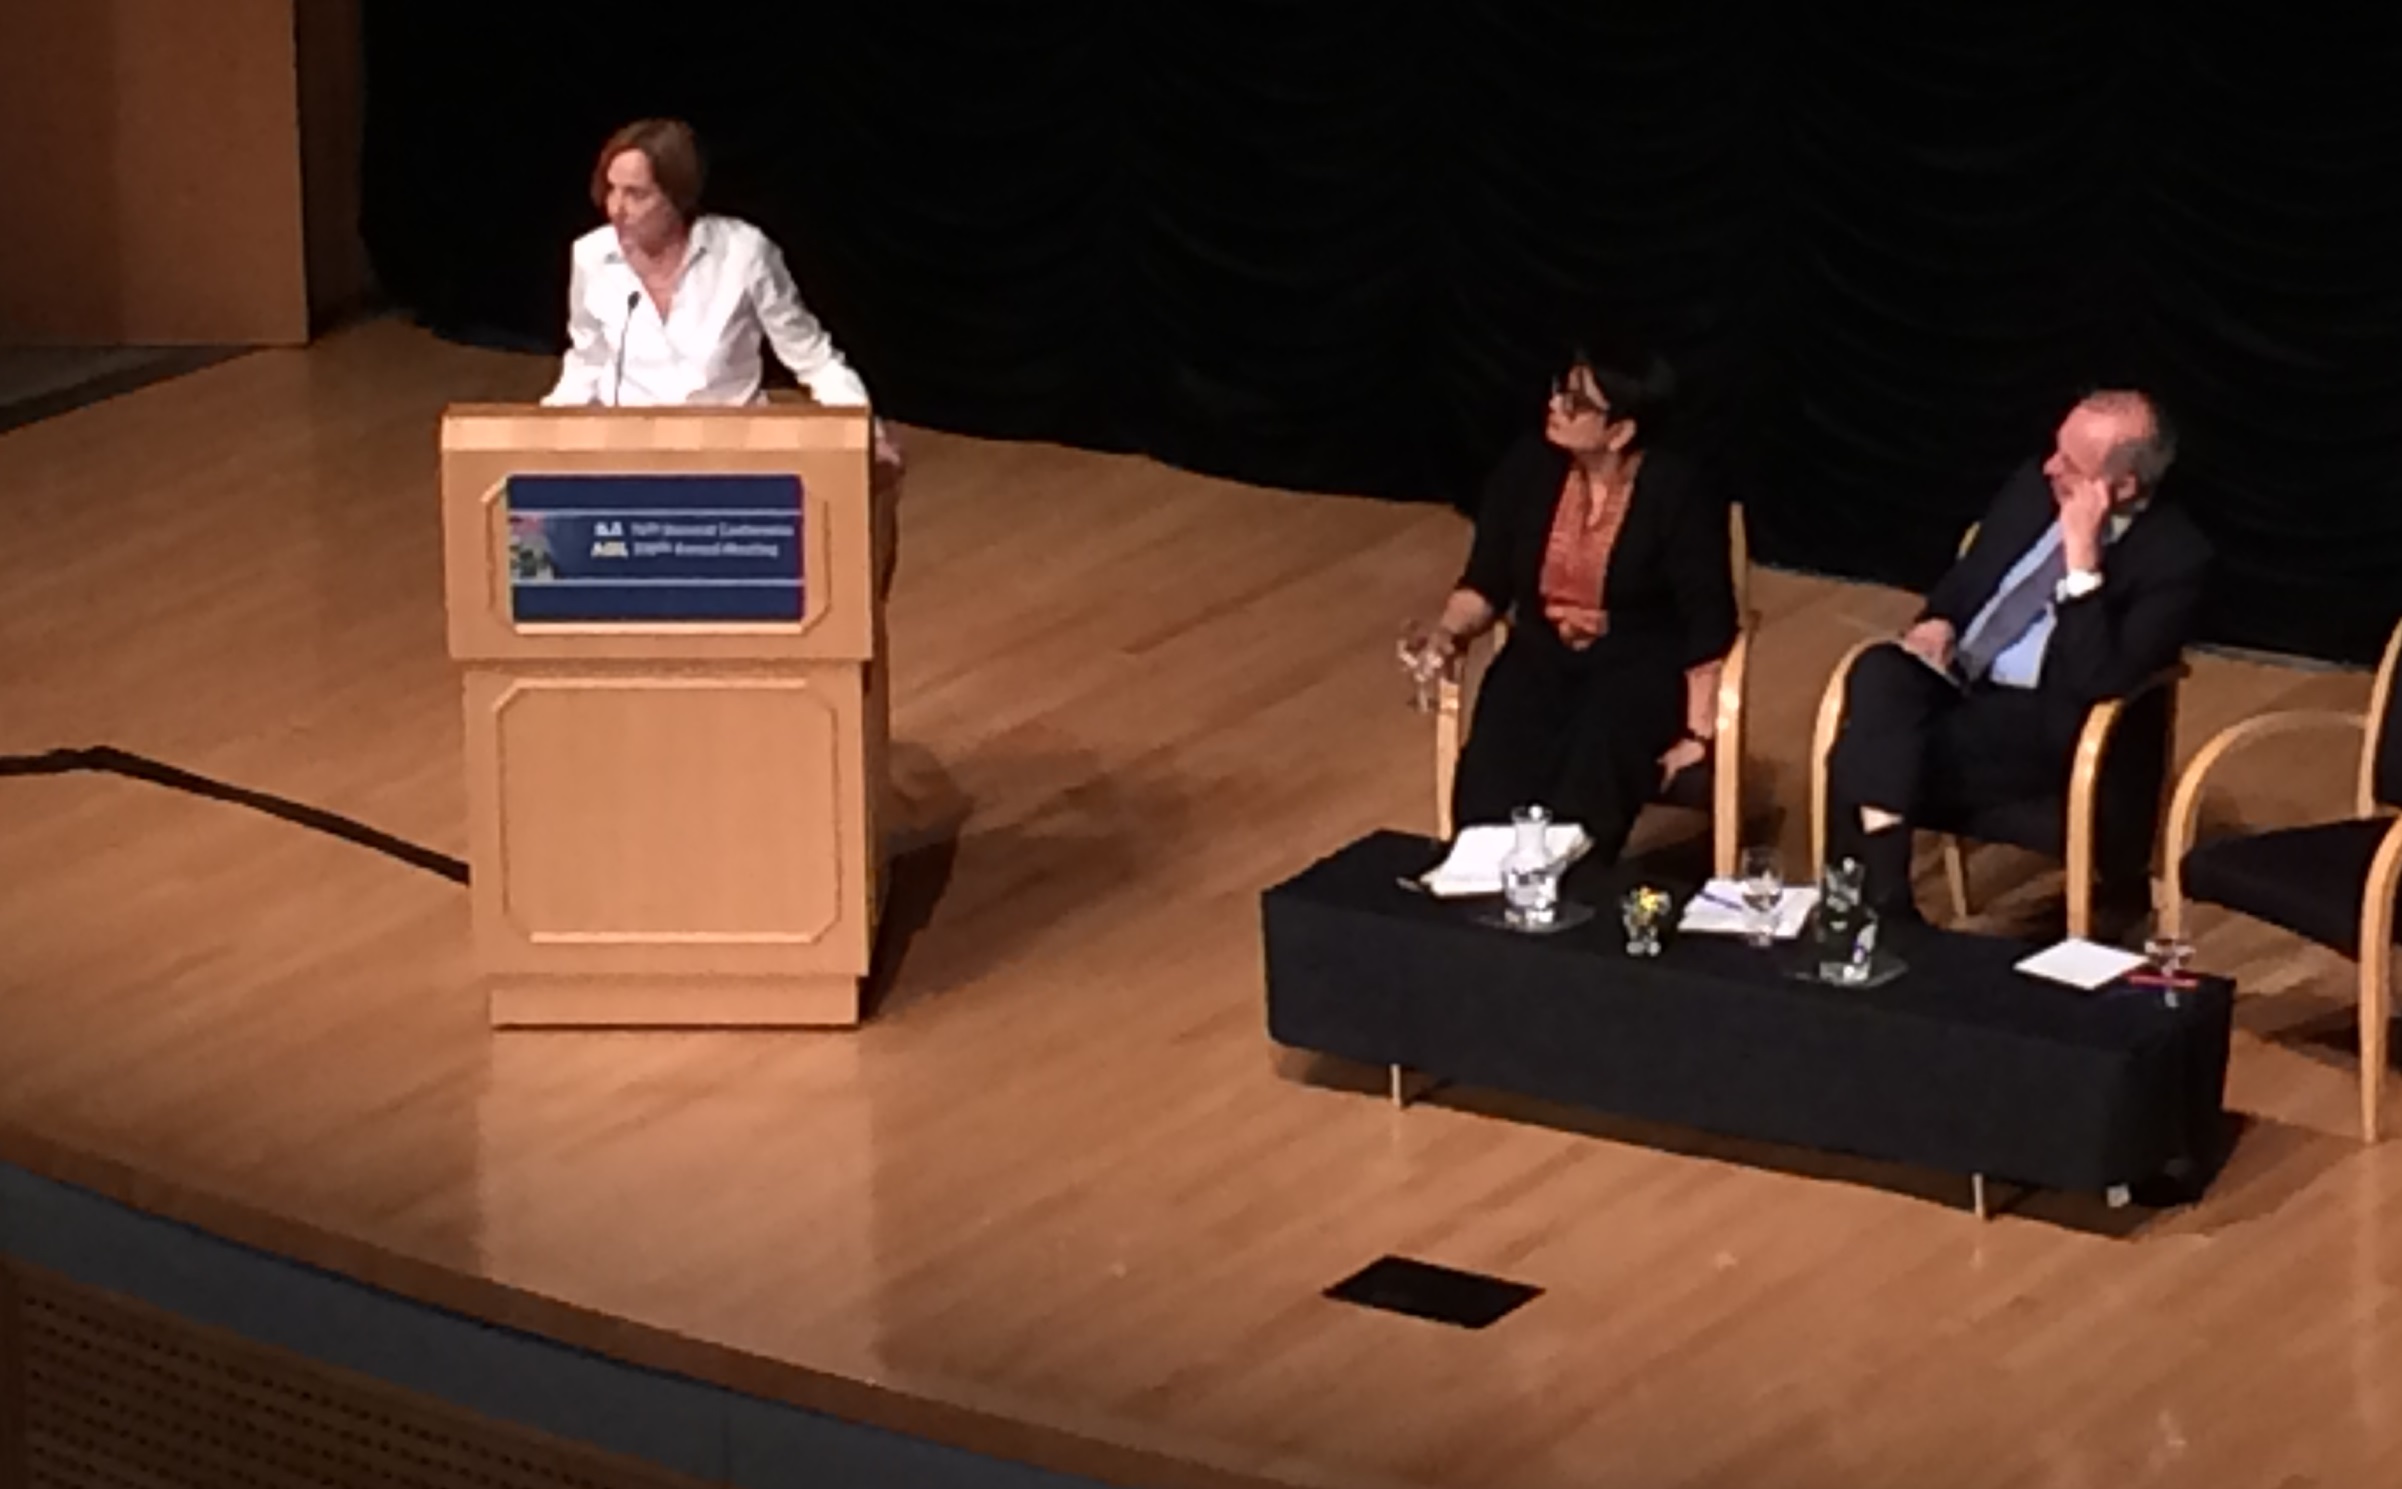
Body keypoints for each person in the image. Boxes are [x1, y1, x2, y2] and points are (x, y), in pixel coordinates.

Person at [1822, 389, 2211, 920]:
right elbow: (1972, 576)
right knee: (1877, 671)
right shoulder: (2034, 488)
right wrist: (1940, 620)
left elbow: (2096, 678)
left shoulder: (2175, 557)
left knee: (1864, 749)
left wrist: (2082, 567)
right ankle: (1883, 901)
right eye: (2055, 450)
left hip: (2047, 717)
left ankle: (1864, 907)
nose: (2051, 467)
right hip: (1959, 679)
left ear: (2121, 487)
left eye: (2071, 465)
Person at [1406, 333, 1740, 861]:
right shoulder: (1528, 467)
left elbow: (1707, 619)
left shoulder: (1676, 490)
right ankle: (1481, 880)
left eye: (1577, 402)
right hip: (1541, 651)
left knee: (1595, 764)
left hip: (1637, 661)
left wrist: (1699, 735)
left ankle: (1572, 885)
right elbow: (1486, 580)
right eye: (1560, 389)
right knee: (1497, 761)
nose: (1556, 405)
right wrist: (1447, 632)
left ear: (1620, 431)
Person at [541, 117, 903, 482]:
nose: (616, 209)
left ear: (677, 197)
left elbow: (812, 356)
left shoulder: (743, 253)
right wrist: (539, 433)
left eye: (637, 194)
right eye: (611, 190)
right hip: (630, 454)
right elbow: (587, 360)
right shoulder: (590, 255)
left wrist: (866, 434)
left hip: (733, 453)